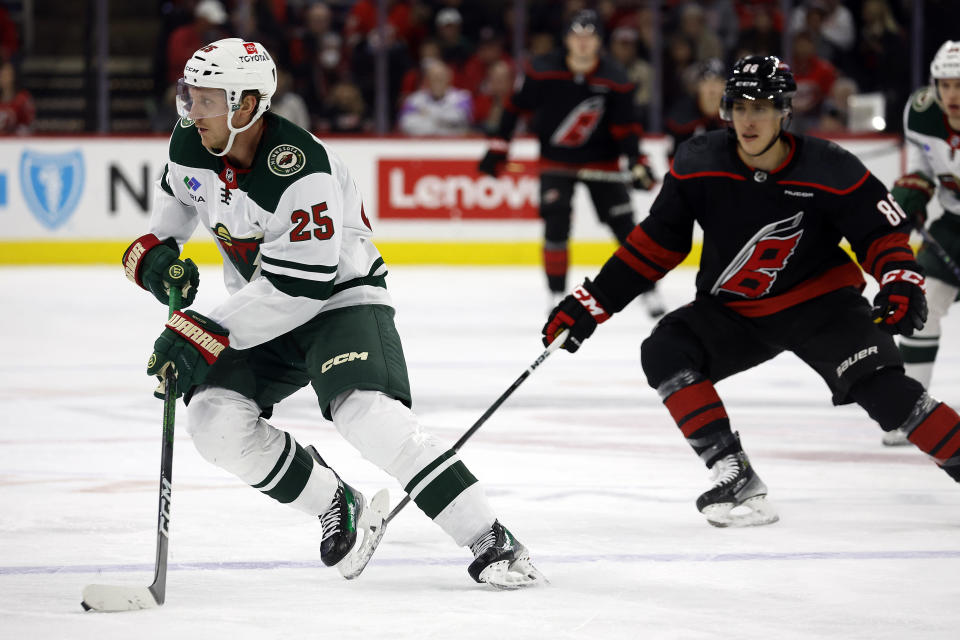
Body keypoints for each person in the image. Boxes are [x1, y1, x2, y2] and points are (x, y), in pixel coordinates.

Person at [122, 38, 543, 589]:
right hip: (260, 304)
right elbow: (173, 215)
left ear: (246, 106)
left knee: (365, 414)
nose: (191, 112)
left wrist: (208, 332)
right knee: (212, 421)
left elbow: (302, 288)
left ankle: (490, 537)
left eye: (206, 100)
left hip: (339, 299)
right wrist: (155, 257)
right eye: (190, 96)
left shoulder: (302, 170)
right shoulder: (191, 143)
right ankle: (335, 503)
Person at [541, 55, 960, 528]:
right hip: (735, 313)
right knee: (664, 350)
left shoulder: (831, 166)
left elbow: (881, 235)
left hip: (823, 307)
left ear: (785, 111)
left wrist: (900, 279)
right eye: (739, 107)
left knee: (889, 396)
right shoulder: (699, 163)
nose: (748, 119)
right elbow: (655, 245)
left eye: (761, 107)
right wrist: (592, 302)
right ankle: (734, 474)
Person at [477, 10, 664, 317]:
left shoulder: (616, 79)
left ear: (600, 42)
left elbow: (627, 129)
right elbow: (514, 108)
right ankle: (556, 294)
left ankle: (650, 292)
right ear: (566, 40)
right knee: (556, 224)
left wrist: (636, 162)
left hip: (602, 163)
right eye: (577, 36)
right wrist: (498, 150)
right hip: (556, 162)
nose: (583, 44)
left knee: (625, 228)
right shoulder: (541, 71)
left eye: (589, 37)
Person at [888, 41, 960, 445]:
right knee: (923, 306)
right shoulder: (922, 114)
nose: (951, 95)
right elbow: (920, 170)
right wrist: (908, 202)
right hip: (953, 225)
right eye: (944, 85)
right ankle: (911, 411)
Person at [397, 59, 473, 135]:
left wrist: (426, 114)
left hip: (455, 144)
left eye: (441, 76)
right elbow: (406, 124)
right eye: (433, 77)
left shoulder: (462, 97)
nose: (437, 80)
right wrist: (443, 124)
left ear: (449, 77)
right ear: (427, 79)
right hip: (423, 143)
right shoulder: (413, 100)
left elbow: (460, 120)